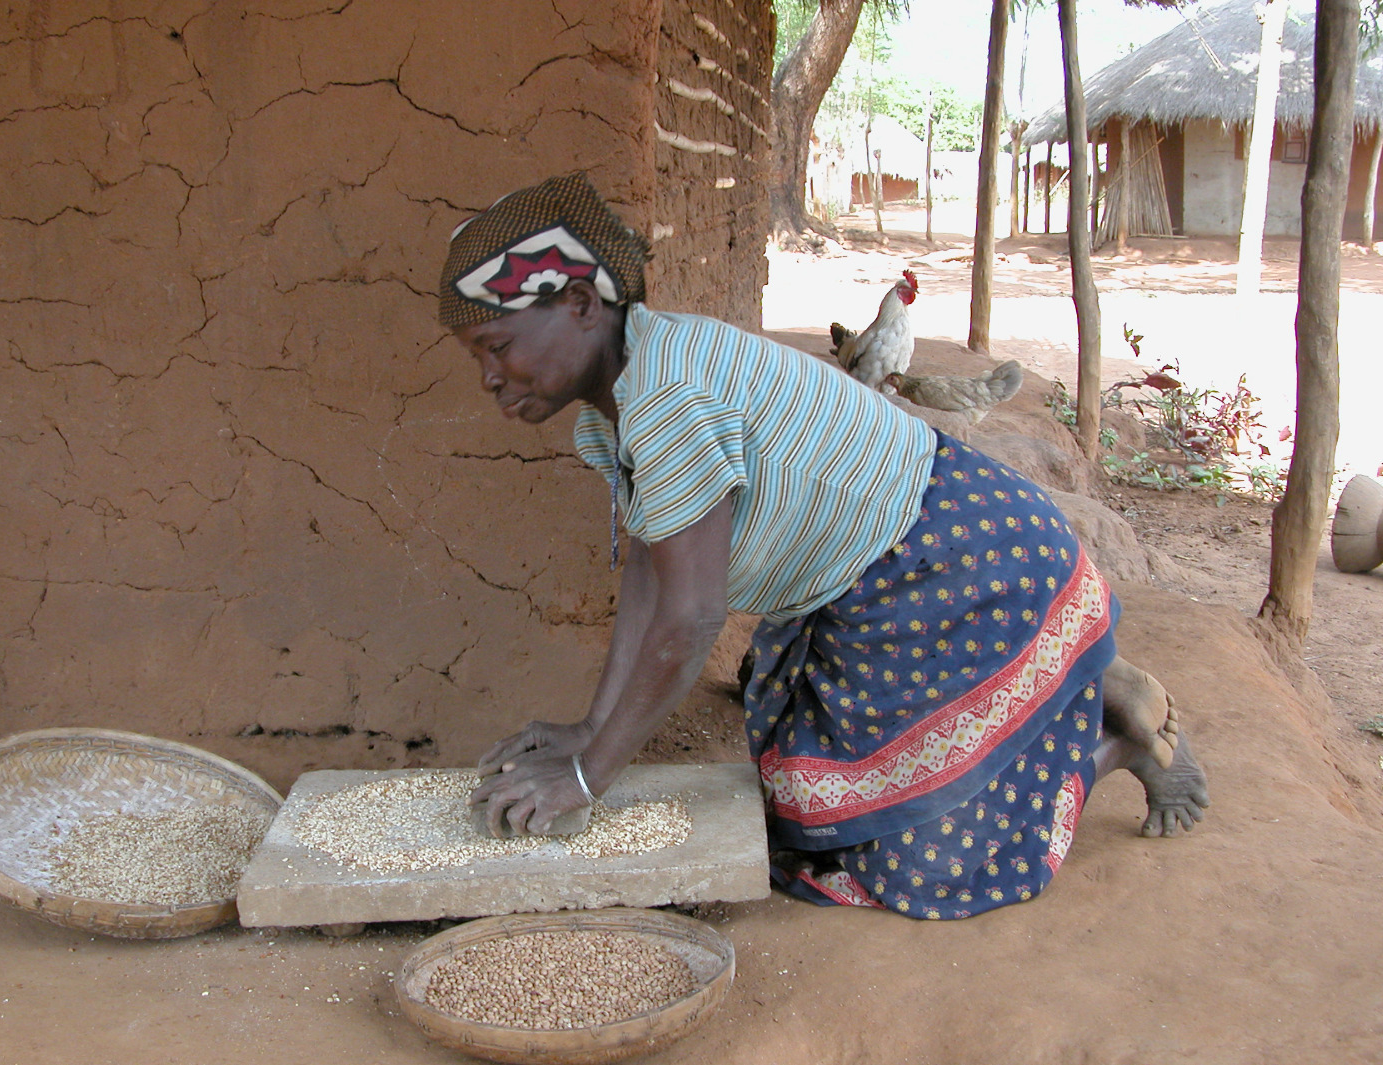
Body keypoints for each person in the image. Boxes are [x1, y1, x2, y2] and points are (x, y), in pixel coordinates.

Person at [445, 173, 1208, 919]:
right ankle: (1083, 678)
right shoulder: (631, 391)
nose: (486, 377)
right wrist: (591, 728)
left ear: (581, 304)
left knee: (914, 861)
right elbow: (651, 565)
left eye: (497, 343)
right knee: (807, 807)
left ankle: (1113, 739)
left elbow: (690, 616)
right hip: (885, 576)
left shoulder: (666, 397)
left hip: (953, 564)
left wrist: (588, 774)